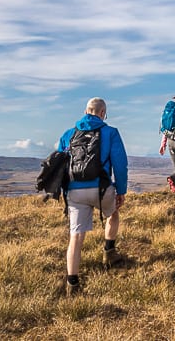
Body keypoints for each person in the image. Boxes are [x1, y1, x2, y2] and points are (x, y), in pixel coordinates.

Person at [58, 97, 128, 296]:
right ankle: (109, 252)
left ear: (85, 111)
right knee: (112, 214)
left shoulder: (69, 134)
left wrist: (65, 192)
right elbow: (120, 165)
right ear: (103, 113)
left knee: (76, 237)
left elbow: (61, 164)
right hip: (102, 189)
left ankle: (72, 284)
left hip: (75, 191)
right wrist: (121, 191)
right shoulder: (110, 132)